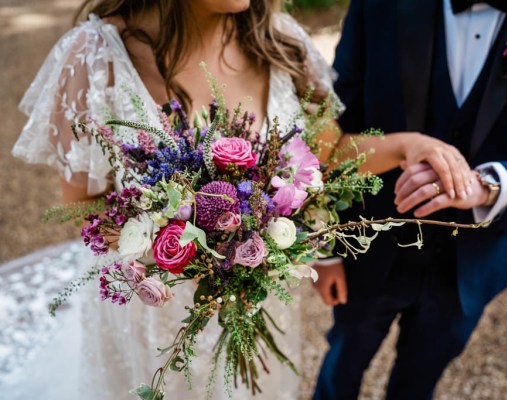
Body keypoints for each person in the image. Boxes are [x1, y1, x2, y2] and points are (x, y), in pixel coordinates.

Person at [5, 1, 470, 399]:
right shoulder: (95, 56)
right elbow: (83, 204)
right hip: (151, 313)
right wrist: (183, 247)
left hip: (253, 305)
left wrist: (407, 145)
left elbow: (323, 154)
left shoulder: (280, 42)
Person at [313, 0, 507, 399]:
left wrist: (490, 187)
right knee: (340, 368)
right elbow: (332, 133)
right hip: (368, 247)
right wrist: (325, 248)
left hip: (475, 261)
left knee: (419, 382)